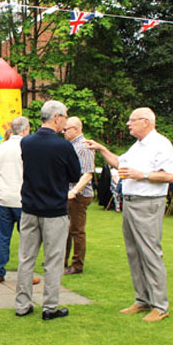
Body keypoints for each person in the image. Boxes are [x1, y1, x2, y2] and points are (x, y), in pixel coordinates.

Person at [84, 108, 173, 323]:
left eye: (132, 121)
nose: (128, 124)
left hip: (148, 204)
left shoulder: (160, 144)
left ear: (146, 122)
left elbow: (169, 176)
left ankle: (160, 306)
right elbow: (119, 163)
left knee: (150, 253)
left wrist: (140, 175)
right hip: (131, 203)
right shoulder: (138, 146)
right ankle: (142, 300)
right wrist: (102, 149)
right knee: (134, 253)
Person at [14, 100, 81, 320]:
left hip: (30, 208)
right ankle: (50, 307)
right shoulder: (63, 146)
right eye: (65, 116)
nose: (65, 121)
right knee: (53, 260)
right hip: (54, 210)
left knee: (26, 258)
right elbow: (74, 175)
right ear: (56, 118)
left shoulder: (27, 142)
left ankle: (22, 304)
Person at [0, 117, 38, 285]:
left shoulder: (1, 148)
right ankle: (27, 274)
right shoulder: (29, 147)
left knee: (3, 237)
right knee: (27, 239)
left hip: (4, 199)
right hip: (23, 199)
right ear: (25, 130)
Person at [63, 116, 95, 275]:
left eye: (66, 129)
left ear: (76, 129)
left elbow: (88, 173)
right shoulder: (71, 146)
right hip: (69, 193)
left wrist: (74, 192)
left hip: (79, 195)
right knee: (66, 229)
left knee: (76, 230)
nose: (63, 132)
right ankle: (62, 260)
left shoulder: (84, 146)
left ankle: (77, 265)